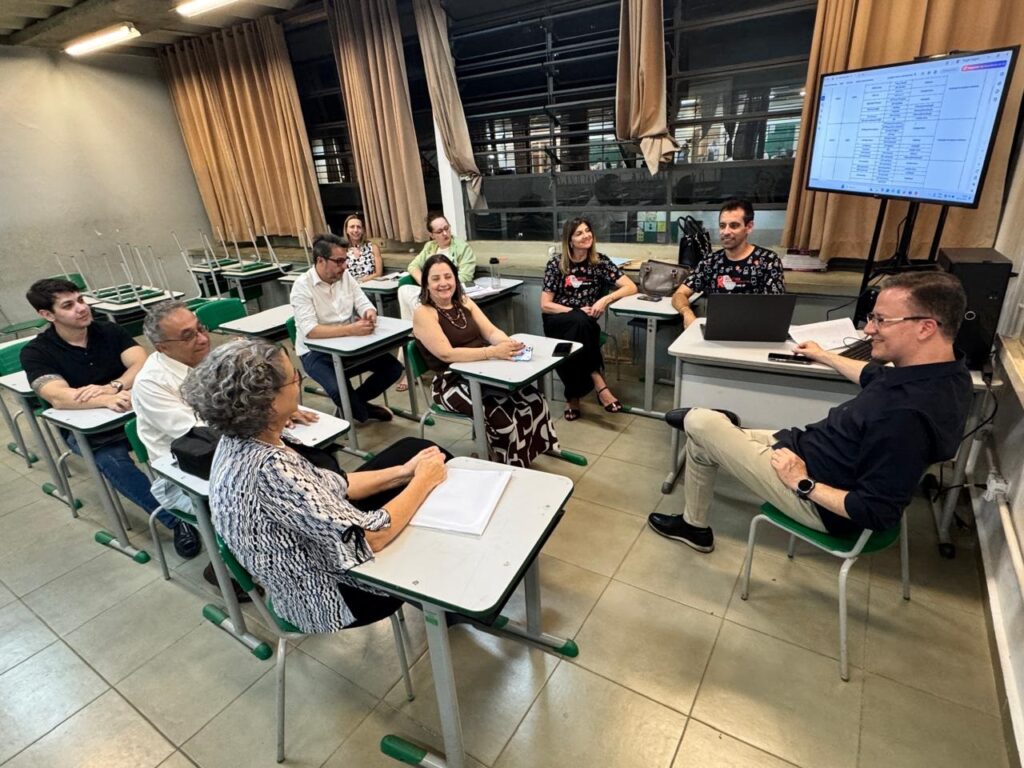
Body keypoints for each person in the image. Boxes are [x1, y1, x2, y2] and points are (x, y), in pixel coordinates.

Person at [648, 271, 972, 553]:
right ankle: (694, 526)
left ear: (926, 327)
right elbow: (872, 375)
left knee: (700, 421)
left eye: (880, 320)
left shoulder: (906, 416)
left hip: (814, 496)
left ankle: (709, 421)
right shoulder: (944, 373)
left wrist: (802, 483)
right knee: (701, 441)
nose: (869, 329)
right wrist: (824, 356)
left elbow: (875, 511)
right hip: (804, 450)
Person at [181, 338, 448, 632]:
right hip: (332, 598)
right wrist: (423, 480)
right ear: (269, 401)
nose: (300, 379)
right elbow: (370, 538)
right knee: (426, 519)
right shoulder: (269, 468)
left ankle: (444, 597)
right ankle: (449, 603)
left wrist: (405, 472)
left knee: (415, 449)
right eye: (295, 376)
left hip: (316, 550)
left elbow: (330, 485)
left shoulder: (240, 437)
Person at [19, 278, 200, 558]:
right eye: (68, 305)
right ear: (47, 315)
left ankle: (193, 501)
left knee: (172, 440)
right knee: (111, 461)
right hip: (93, 433)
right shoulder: (36, 351)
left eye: (80, 300)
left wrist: (114, 386)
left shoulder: (109, 331)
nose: (81, 308)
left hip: (133, 413)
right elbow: (57, 395)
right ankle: (176, 521)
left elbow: (141, 362)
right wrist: (106, 399)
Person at [132, 300, 320, 517]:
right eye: (188, 336)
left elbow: (249, 396)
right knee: (278, 502)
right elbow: (204, 432)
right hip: (188, 474)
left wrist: (280, 405)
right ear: (162, 347)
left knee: (304, 472)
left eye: (200, 328)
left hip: (238, 452)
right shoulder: (151, 383)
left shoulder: (211, 359)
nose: (203, 339)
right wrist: (270, 413)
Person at [413, 255, 559, 467]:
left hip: (484, 370)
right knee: (502, 417)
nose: (443, 283)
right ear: (426, 283)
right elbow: (446, 354)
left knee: (534, 399)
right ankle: (501, 464)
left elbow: (490, 331)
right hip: (450, 382)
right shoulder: (424, 313)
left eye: (448, 276)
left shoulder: (463, 301)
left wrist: (509, 345)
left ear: (456, 278)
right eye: (436, 279)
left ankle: (523, 456)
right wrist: (493, 352)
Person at [290, 232, 403, 423]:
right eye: (339, 261)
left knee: (393, 368)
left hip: (349, 346)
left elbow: (364, 303)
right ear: (321, 260)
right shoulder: (302, 286)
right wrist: (351, 330)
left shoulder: (345, 277)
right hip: (315, 352)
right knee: (337, 390)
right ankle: (361, 410)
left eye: (345, 260)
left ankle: (355, 405)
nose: (345, 266)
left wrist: (369, 313)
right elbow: (312, 331)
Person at [540, 216, 637, 420]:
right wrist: (574, 311)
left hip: (585, 324)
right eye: (579, 233)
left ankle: (572, 396)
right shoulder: (556, 264)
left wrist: (604, 301)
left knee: (580, 329)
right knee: (580, 323)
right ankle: (597, 380)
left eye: (587, 231)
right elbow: (546, 305)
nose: (586, 236)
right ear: (569, 240)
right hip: (558, 320)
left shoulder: (599, 262)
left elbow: (631, 286)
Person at [670, 199, 785, 328]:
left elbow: (776, 309)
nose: (725, 232)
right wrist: (687, 313)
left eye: (734, 226)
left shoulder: (768, 261)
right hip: (717, 332)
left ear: (749, 227)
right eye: (722, 226)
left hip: (755, 333)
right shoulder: (711, 262)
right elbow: (679, 294)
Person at [397, 213, 476, 321]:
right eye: (439, 231)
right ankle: (412, 329)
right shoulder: (430, 246)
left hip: (448, 290)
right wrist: (426, 284)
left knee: (419, 303)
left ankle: (427, 326)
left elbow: (466, 276)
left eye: (446, 228)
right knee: (404, 290)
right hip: (430, 288)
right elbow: (413, 266)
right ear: (432, 235)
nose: (445, 233)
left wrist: (441, 284)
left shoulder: (462, 247)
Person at [341, 213, 383, 282]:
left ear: (363, 230)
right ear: (346, 230)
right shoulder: (341, 250)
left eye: (359, 227)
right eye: (352, 227)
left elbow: (378, 273)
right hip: (349, 289)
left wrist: (360, 282)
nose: (356, 230)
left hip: (371, 288)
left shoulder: (373, 247)